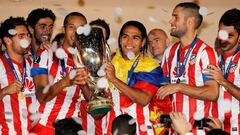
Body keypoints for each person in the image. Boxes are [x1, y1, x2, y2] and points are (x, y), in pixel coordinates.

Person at [157, 2, 219, 134]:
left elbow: (213, 92)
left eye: (175, 17)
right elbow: (164, 89)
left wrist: (179, 87)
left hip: (201, 130)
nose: (170, 21)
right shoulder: (170, 52)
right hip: (176, 129)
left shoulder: (205, 52)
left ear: (190, 21)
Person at [30, 12, 90, 135]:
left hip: (73, 129)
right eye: (71, 27)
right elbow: (41, 96)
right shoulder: (46, 53)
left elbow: (94, 105)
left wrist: (84, 85)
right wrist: (65, 81)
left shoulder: (88, 60)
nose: (76, 32)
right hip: (45, 127)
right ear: (64, 29)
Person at [104, 20, 164, 135]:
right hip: (112, 129)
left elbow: (143, 99)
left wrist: (114, 79)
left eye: (135, 38)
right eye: (125, 37)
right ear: (120, 40)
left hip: (141, 130)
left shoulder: (150, 66)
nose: (129, 42)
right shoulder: (110, 61)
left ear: (143, 42)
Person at [204, 8, 240, 134]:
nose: (223, 39)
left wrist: (223, 81)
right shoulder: (212, 58)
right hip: (215, 129)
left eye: (230, 35)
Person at [0, 17, 37, 134]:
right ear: (8, 40)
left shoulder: (33, 64)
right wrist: (4, 91)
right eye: (21, 36)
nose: (27, 40)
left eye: (28, 35)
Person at [79, 18, 111, 135]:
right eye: (92, 34)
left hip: (102, 126)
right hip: (80, 125)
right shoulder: (76, 60)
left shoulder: (111, 66)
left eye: (100, 37)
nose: (95, 40)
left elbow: (98, 113)